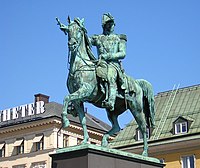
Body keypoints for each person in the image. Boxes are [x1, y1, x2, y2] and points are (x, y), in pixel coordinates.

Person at [90, 13, 127, 111]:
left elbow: (123, 53)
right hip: (100, 64)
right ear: (104, 25)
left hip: (113, 64)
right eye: (108, 24)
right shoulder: (98, 38)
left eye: (112, 24)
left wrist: (109, 56)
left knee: (110, 75)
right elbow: (86, 41)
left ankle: (111, 101)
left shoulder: (119, 38)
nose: (110, 26)